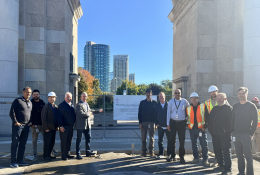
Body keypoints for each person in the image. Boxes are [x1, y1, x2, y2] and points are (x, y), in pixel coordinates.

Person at [232, 87, 258, 175]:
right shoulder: (235, 106)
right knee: (239, 156)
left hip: (246, 135)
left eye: (243, 93)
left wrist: (251, 133)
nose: (241, 95)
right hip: (236, 135)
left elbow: (255, 121)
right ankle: (241, 172)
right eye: (239, 93)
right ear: (237, 95)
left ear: (246, 94)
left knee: (248, 156)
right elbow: (232, 120)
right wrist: (233, 132)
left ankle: (250, 173)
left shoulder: (251, 106)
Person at [208, 93, 232, 175]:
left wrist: (226, 131)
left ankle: (228, 168)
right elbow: (210, 120)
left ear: (225, 99)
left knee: (226, 152)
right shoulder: (214, 108)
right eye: (218, 98)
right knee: (217, 151)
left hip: (225, 135)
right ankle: (221, 165)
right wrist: (210, 129)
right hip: (215, 135)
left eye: (221, 98)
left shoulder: (229, 108)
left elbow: (231, 122)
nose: (219, 100)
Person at [75, 92, 103, 159]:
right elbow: (81, 113)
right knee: (79, 139)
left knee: (88, 138)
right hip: (80, 126)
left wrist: (98, 111)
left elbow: (90, 110)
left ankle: (88, 152)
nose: (85, 97)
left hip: (87, 125)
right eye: (83, 96)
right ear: (81, 97)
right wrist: (89, 114)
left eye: (86, 96)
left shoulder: (86, 104)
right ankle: (78, 154)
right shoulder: (79, 104)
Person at [9, 87, 32, 168]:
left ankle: (20, 160)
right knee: (15, 144)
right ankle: (13, 162)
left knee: (23, 144)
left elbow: (30, 114)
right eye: (27, 92)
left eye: (30, 92)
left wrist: (30, 122)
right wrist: (15, 122)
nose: (28, 94)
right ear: (23, 92)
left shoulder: (30, 102)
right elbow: (12, 112)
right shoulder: (18, 101)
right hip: (18, 127)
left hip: (26, 127)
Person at [186, 92, 210, 167]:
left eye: (195, 98)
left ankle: (205, 159)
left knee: (204, 144)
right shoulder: (188, 108)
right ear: (190, 99)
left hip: (201, 129)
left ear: (198, 98)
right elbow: (185, 117)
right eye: (192, 99)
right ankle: (195, 158)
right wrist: (187, 125)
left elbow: (208, 117)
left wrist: (205, 127)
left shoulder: (203, 106)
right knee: (194, 144)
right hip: (192, 129)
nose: (194, 100)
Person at [167, 89, 189, 164]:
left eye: (178, 93)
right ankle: (172, 155)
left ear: (181, 93)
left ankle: (182, 157)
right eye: (176, 93)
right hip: (173, 122)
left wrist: (188, 121)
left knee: (182, 140)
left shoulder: (184, 101)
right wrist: (168, 124)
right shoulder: (170, 101)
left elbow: (189, 110)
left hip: (182, 123)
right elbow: (168, 113)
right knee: (172, 140)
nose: (177, 94)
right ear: (174, 94)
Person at [41, 92, 63, 161]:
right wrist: (45, 128)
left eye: (53, 97)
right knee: (47, 142)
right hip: (48, 128)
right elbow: (43, 118)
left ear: (55, 98)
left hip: (54, 128)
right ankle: (46, 155)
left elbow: (56, 118)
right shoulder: (46, 107)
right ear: (48, 98)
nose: (52, 99)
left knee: (52, 142)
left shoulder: (55, 107)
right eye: (50, 97)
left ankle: (50, 154)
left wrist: (57, 126)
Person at [138, 89, 157, 157]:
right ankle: (144, 152)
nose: (148, 94)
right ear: (145, 94)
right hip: (144, 122)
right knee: (143, 137)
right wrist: (140, 123)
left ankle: (151, 152)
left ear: (151, 94)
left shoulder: (155, 103)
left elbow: (156, 114)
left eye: (149, 93)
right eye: (147, 93)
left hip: (152, 122)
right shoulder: (142, 103)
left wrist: (156, 124)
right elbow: (139, 113)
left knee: (152, 138)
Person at [58, 92, 76, 160]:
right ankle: (64, 155)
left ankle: (68, 154)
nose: (69, 98)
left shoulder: (71, 105)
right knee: (64, 141)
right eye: (67, 97)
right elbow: (59, 117)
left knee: (69, 141)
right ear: (64, 98)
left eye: (70, 97)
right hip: (64, 127)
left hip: (71, 126)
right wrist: (61, 126)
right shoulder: (61, 105)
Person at [30, 89, 45, 159]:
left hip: (43, 125)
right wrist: (31, 123)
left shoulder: (42, 103)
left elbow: (45, 114)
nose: (36, 96)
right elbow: (28, 114)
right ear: (32, 95)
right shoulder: (30, 103)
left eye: (37, 94)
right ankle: (34, 153)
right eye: (34, 94)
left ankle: (47, 152)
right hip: (34, 126)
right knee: (34, 140)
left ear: (39, 95)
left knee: (46, 139)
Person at [154, 92, 170, 158]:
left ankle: (169, 153)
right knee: (160, 141)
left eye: (162, 96)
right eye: (160, 97)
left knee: (169, 140)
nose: (161, 98)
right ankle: (161, 153)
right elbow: (154, 116)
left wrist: (170, 124)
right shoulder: (156, 106)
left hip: (168, 126)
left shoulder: (169, 105)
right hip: (160, 126)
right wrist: (156, 123)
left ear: (165, 96)